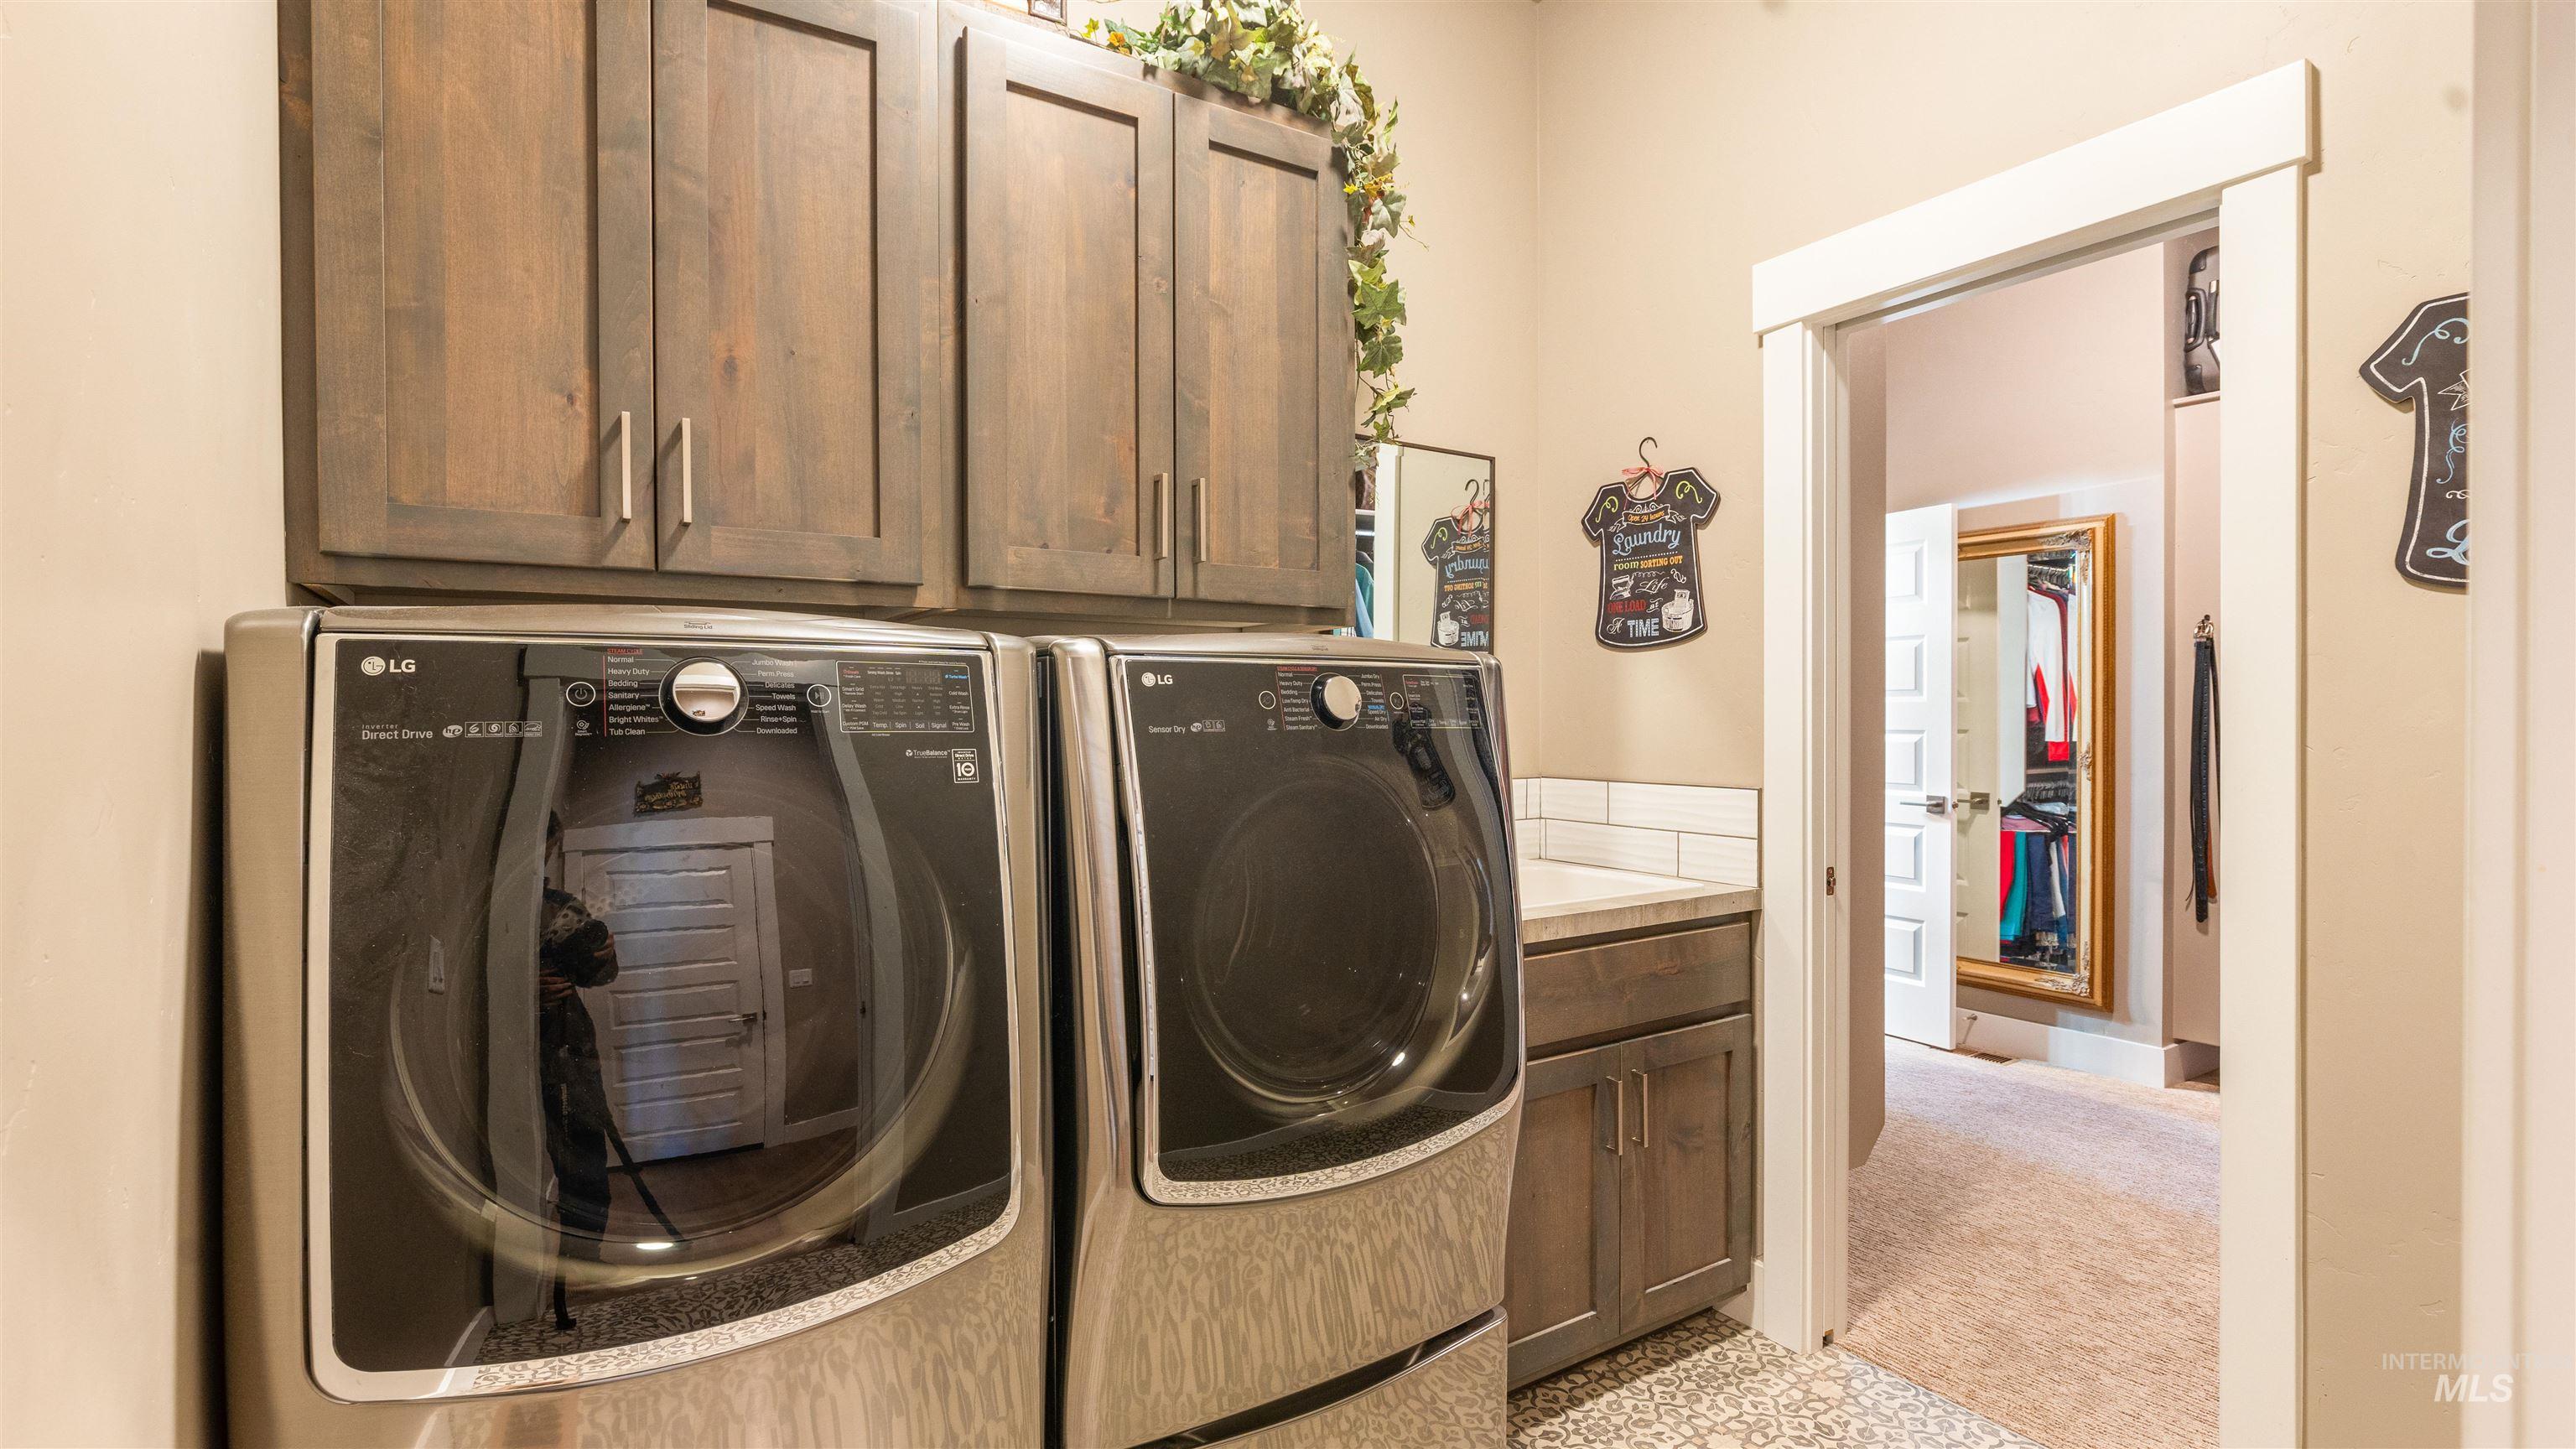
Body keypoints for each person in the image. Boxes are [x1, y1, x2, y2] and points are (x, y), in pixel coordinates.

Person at [538, 813, 621, 1322]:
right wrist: (524, 988)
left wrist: (604, 954)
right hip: (520, 1052)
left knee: (587, 1159)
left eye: (547, 845)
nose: (541, 854)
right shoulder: (493, 909)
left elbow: (601, 975)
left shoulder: (563, 907)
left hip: (570, 1051)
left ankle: (584, 1264)